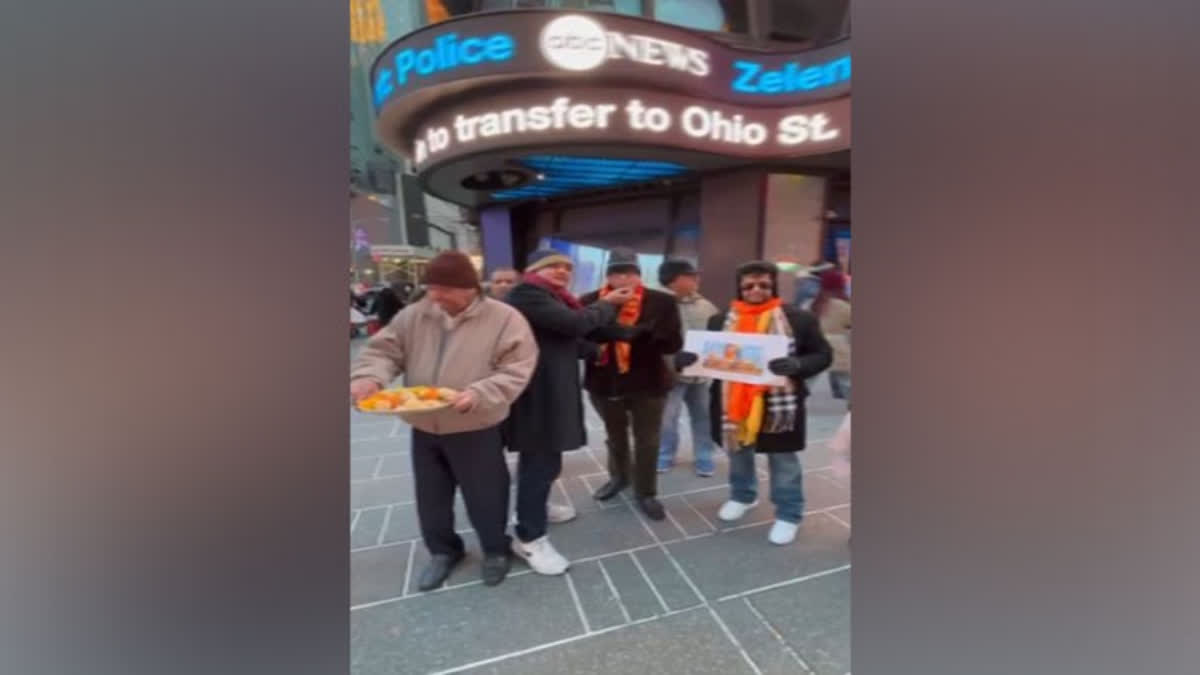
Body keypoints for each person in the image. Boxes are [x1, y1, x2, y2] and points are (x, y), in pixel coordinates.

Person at [349, 251, 538, 590]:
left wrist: (479, 393)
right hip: (424, 425)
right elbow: (384, 350)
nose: (435, 296)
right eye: (431, 287)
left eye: (444, 289)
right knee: (431, 497)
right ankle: (444, 551)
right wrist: (370, 378)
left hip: (474, 425)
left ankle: (495, 550)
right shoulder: (416, 314)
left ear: (469, 289)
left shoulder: (505, 319)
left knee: (486, 495)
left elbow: (517, 368)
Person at [683, 260, 832, 545]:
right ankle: (743, 495)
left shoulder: (798, 319)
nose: (756, 290)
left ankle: (789, 513)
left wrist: (797, 363)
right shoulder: (720, 319)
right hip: (732, 404)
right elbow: (709, 359)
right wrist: (688, 360)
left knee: (783, 459)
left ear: (773, 285)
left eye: (763, 284)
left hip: (778, 405)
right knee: (738, 453)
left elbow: (823, 355)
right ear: (740, 288)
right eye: (749, 285)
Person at [503, 250, 634, 574]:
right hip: (537, 394)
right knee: (541, 458)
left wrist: (599, 347)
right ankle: (529, 538)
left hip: (552, 388)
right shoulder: (527, 293)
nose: (562, 271)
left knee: (544, 459)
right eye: (554, 266)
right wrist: (608, 304)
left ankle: (535, 509)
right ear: (535, 270)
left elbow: (558, 337)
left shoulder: (554, 297)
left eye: (567, 267)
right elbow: (573, 324)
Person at [580, 248, 683, 521]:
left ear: (638, 275)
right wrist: (608, 323)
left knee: (647, 440)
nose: (623, 278)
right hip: (604, 382)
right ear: (608, 276)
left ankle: (646, 491)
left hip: (648, 382)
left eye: (629, 272)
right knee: (615, 436)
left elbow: (673, 343)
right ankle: (619, 478)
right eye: (616, 272)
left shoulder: (662, 301)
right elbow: (579, 340)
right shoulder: (589, 301)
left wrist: (641, 336)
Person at [657, 259, 720, 476]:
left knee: (703, 416)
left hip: (700, 376)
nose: (697, 279)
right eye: (690, 275)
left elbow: (718, 338)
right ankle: (664, 454)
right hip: (669, 376)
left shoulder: (706, 305)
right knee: (666, 419)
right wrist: (673, 360)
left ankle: (704, 456)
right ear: (673, 280)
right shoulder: (657, 304)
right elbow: (648, 341)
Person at [811, 267, 852, 404]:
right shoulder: (842, 305)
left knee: (808, 380)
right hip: (838, 346)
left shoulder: (815, 304)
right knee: (845, 381)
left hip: (816, 344)